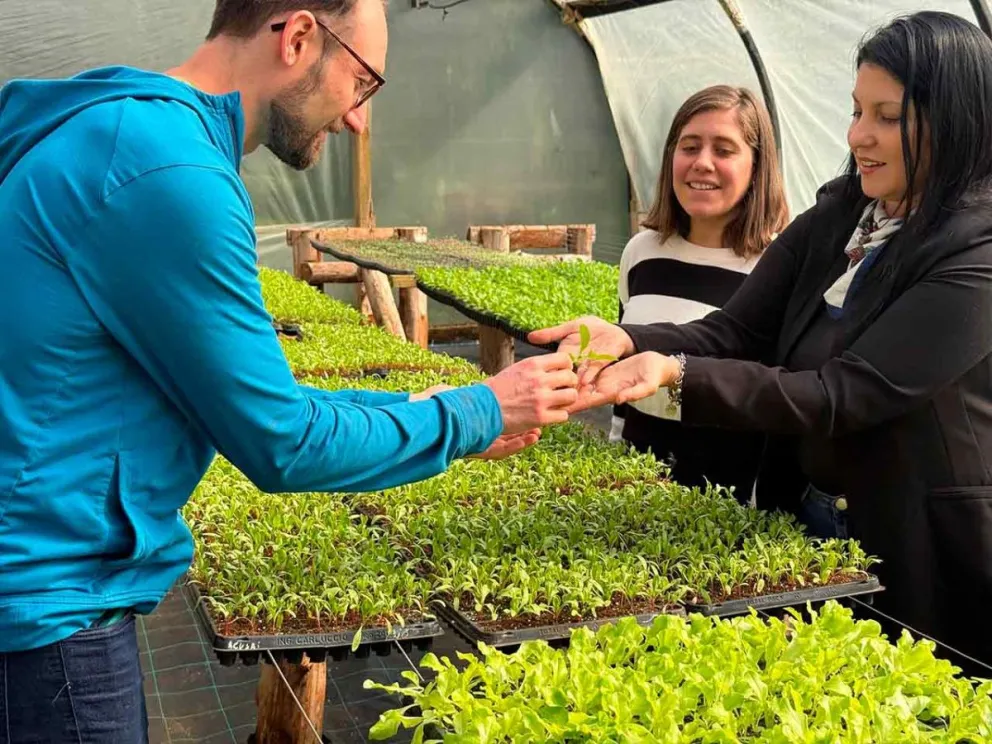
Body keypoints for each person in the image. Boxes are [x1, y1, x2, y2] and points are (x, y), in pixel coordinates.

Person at [0, 0, 579, 739]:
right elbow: (281, 441)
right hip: (46, 613)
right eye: (363, 82)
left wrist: (426, 407)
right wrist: (478, 412)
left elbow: (249, 399)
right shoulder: (170, 172)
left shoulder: (121, 130)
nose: (359, 119)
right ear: (300, 36)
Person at [533, 10, 992, 671]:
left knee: (912, 703)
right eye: (857, 110)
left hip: (918, 534)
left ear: (955, 119)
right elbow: (737, 329)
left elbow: (845, 394)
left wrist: (677, 377)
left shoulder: (975, 251)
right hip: (808, 515)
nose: (858, 135)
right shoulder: (844, 213)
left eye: (887, 116)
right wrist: (628, 340)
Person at [610, 84, 788, 503]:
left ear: (756, 166)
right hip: (635, 487)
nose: (702, 163)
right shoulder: (642, 252)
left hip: (731, 501)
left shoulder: (776, 266)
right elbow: (624, 366)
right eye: (689, 146)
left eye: (724, 150)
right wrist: (615, 452)